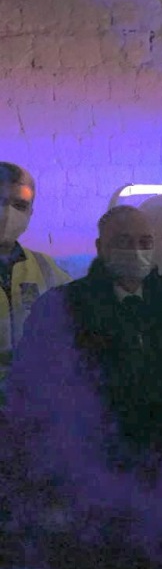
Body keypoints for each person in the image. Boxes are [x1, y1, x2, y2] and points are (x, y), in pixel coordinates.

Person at [3, 204, 162, 569]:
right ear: (100, 247)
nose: (136, 251)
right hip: (90, 463)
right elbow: (33, 387)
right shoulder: (63, 307)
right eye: (123, 242)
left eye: (144, 242)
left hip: (159, 462)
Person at [0, 162, 71, 395]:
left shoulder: (46, 268)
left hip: (32, 399)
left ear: (30, 213)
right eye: (0, 201)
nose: (7, 213)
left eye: (20, 205)